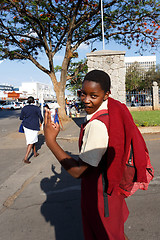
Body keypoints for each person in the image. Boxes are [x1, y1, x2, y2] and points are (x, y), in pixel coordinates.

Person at [44, 70, 148, 240]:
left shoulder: (97, 125)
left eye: (94, 95)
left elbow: (78, 171)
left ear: (106, 95)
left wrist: (51, 142)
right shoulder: (112, 109)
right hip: (111, 191)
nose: (86, 100)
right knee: (116, 233)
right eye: (83, 94)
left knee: (108, 235)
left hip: (102, 196)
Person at [20, 96, 43, 164]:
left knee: (33, 140)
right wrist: (41, 123)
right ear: (33, 101)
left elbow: (21, 117)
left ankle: (35, 153)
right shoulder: (36, 108)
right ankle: (25, 158)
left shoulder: (24, 108)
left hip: (26, 126)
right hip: (34, 126)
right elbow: (41, 117)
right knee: (31, 141)